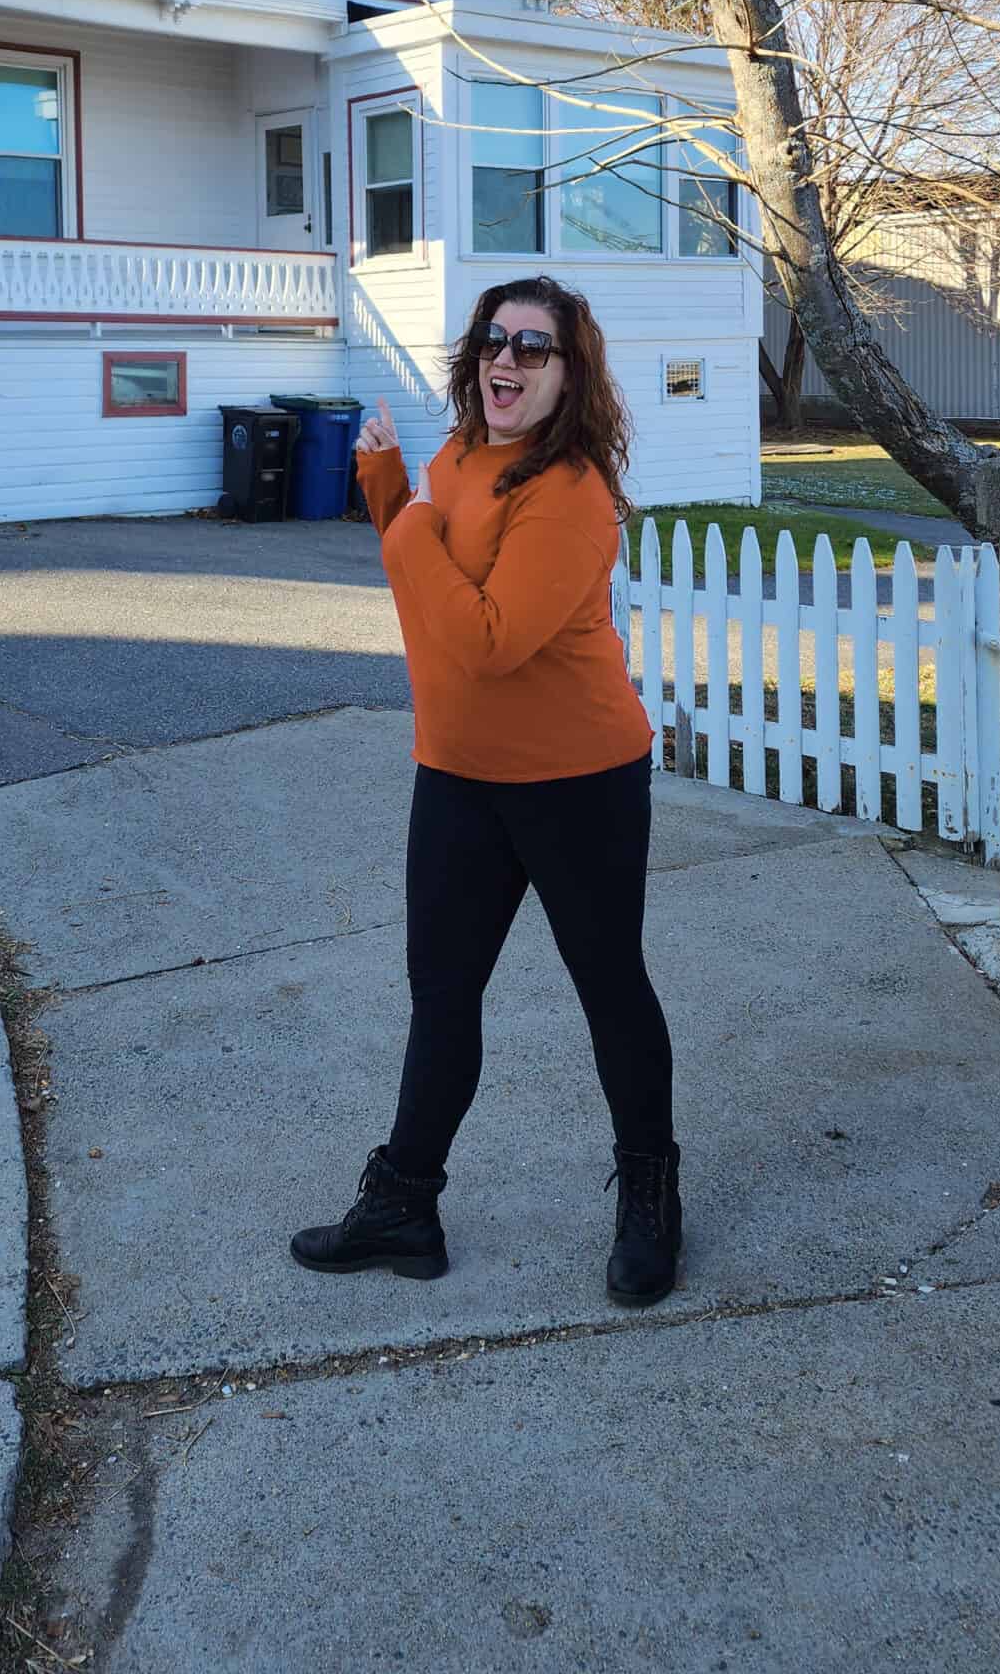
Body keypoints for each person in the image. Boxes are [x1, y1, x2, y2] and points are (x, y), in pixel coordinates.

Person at [289, 275, 681, 1303]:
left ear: (570, 374)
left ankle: (651, 1195)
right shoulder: (457, 459)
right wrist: (391, 495)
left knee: (609, 987)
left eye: (534, 348)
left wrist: (403, 519)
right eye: (495, 342)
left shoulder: (573, 496)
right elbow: (435, 607)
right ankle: (403, 1204)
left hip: (579, 780)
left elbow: (490, 640)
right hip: (459, 775)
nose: (506, 361)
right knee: (442, 994)